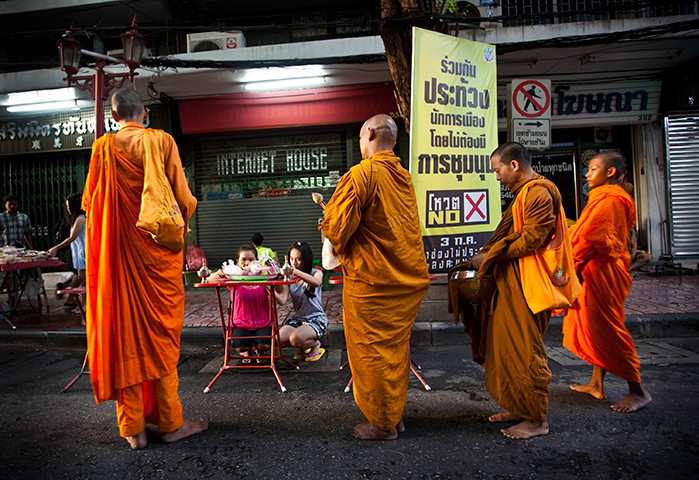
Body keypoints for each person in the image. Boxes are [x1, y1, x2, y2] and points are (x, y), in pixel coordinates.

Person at [81, 88, 207, 450]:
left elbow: (91, 205)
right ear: (146, 113)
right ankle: (170, 423)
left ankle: (133, 428)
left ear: (114, 118)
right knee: (159, 340)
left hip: (118, 262)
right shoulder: (160, 141)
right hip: (154, 261)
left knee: (127, 340)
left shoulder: (101, 150)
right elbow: (182, 200)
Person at [321, 114, 430, 441]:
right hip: (405, 281)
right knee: (394, 353)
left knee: (371, 356)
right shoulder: (404, 177)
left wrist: (331, 233)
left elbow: (337, 229)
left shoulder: (362, 174)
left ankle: (382, 424)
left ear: (368, 133)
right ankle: (394, 415)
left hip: (373, 283)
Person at [465, 142, 568, 440]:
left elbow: (530, 241)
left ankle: (537, 419)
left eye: (498, 170)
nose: (497, 177)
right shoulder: (524, 194)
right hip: (513, 283)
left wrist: (491, 256)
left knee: (524, 351)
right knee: (506, 348)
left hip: (529, 284)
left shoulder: (538, 193)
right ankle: (519, 405)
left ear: (514, 165)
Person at [563, 152, 652, 413]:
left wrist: (568, 254)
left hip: (604, 272)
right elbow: (584, 230)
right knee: (595, 328)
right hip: (595, 271)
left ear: (610, 172)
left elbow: (592, 237)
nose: (587, 174)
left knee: (609, 329)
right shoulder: (601, 198)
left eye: (592, 169)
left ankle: (638, 390)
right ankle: (596, 384)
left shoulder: (611, 201)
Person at [207, 244, 286, 364]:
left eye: (251, 259)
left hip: (263, 322)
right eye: (244, 260)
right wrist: (219, 273)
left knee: (264, 345)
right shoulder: (234, 277)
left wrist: (274, 274)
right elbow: (208, 279)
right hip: (240, 323)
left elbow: (280, 288)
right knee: (241, 346)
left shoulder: (264, 276)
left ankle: (261, 352)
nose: (247, 263)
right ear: (238, 261)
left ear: (257, 261)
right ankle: (247, 352)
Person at [276, 241, 328, 362]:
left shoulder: (316, 272)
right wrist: (268, 287)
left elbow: (317, 282)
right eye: (291, 258)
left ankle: (315, 345)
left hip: (316, 319)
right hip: (298, 319)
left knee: (295, 339)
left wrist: (295, 272)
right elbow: (282, 300)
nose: (294, 263)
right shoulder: (289, 278)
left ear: (306, 259)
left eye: (298, 259)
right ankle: (301, 346)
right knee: (278, 339)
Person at [46, 193, 87, 317]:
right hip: (78, 253)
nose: (68, 208)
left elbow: (72, 238)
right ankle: (82, 304)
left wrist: (56, 248)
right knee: (81, 279)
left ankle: (85, 306)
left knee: (84, 281)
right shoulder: (74, 219)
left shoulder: (81, 218)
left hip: (84, 253)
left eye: (69, 206)